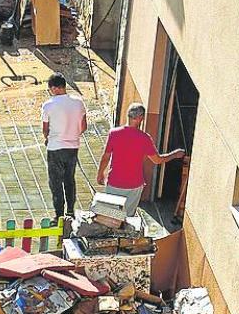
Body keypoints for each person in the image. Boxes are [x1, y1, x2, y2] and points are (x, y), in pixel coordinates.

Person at [97, 103, 184, 216]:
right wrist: (174, 154)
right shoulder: (145, 138)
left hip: (114, 183)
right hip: (134, 185)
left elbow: (106, 157)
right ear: (141, 118)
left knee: (110, 216)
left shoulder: (114, 133)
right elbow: (157, 160)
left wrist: (100, 173)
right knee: (127, 217)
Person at [41, 73, 86, 220]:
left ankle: (59, 215)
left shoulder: (48, 105)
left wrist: (49, 138)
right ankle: (71, 212)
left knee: (55, 183)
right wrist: (72, 135)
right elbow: (83, 126)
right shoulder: (79, 102)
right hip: (73, 147)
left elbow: (45, 129)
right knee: (69, 180)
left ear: (54, 88)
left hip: (55, 148)